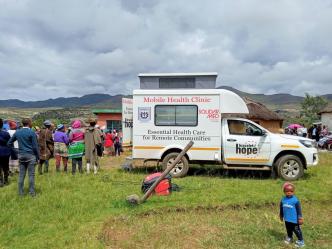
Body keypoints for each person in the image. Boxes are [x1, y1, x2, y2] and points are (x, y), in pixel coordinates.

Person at [8, 118, 39, 196]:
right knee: (31, 175)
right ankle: (32, 193)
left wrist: (16, 151)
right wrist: (38, 157)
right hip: (31, 155)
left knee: (21, 175)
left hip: (21, 155)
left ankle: (20, 193)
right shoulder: (32, 133)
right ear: (29, 123)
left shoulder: (18, 132)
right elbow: (35, 147)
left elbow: (9, 143)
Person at [279, 182, 305, 247]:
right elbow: (281, 208)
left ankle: (301, 241)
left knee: (296, 230)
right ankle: (290, 237)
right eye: (287, 191)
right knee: (288, 229)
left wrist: (300, 218)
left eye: (291, 191)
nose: (289, 192)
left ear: (293, 191)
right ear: (284, 191)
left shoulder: (295, 200)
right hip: (287, 219)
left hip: (294, 220)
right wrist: (281, 215)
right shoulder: (283, 200)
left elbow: (299, 210)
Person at [0, 118, 11, 187]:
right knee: (5, 167)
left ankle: (0, 181)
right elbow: (9, 143)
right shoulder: (6, 133)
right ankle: (6, 180)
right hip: (5, 152)